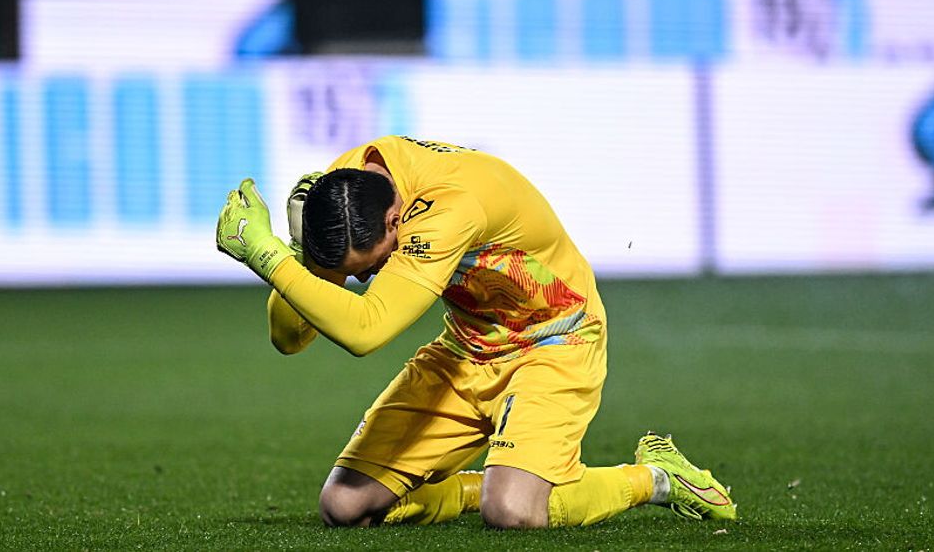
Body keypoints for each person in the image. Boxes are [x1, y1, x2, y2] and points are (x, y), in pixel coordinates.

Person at [215, 135, 736, 528]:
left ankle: (658, 478)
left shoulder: (448, 209)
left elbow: (366, 331)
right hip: (467, 346)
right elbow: (289, 337)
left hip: (553, 339)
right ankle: (478, 486)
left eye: (370, 267)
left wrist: (266, 255)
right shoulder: (347, 193)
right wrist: (300, 253)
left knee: (512, 510)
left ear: (396, 221)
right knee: (344, 506)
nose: (365, 277)